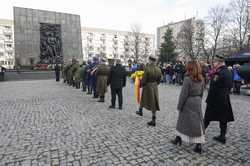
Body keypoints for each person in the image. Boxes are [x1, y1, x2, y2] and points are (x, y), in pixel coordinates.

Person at [171, 61, 205, 154]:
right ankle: (195, 143)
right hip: (197, 101)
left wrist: (179, 106)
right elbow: (202, 92)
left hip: (188, 102)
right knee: (197, 122)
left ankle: (180, 139)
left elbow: (183, 94)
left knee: (182, 121)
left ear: (189, 68)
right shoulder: (201, 78)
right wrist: (198, 101)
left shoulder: (187, 79)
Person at [204, 55, 234, 144]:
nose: (214, 64)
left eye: (215, 62)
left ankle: (199, 133)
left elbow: (213, 87)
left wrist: (208, 91)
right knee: (223, 119)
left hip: (215, 99)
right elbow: (229, 86)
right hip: (224, 98)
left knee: (207, 118)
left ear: (219, 62)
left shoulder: (218, 73)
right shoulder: (228, 71)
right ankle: (222, 136)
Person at [138, 56, 162, 126]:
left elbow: (144, 79)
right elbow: (160, 79)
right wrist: (155, 84)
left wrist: (140, 85)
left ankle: (151, 118)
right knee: (154, 101)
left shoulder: (147, 68)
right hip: (154, 86)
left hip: (147, 86)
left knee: (145, 99)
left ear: (150, 60)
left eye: (149, 60)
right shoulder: (158, 69)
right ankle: (143, 112)